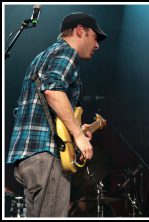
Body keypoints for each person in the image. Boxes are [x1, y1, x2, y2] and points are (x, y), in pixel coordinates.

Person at [6, 12, 107, 217]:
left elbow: (30, 108)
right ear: (80, 31)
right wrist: (78, 137)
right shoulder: (66, 52)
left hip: (28, 156)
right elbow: (53, 90)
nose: (97, 45)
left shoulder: (41, 57)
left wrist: (77, 129)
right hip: (47, 153)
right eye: (96, 37)